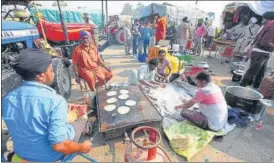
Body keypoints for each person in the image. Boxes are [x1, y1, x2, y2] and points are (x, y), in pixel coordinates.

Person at [2, 48, 93, 162]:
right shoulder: (55, 101)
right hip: (49, 156)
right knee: (80, 121)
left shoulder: (8, 99)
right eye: (51, 70)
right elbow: (59, 146)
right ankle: (87, 127)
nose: (54, 74)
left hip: (22, 152)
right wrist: (83, 147)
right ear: (41, 76)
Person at [240, 19, 274, 89]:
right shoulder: (272, 27)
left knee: (260, 74)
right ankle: (241, 90)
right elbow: (265, 43)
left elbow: (259, 38)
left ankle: (255, 89)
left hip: (264, 53)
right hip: (261, 53)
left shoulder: (269, 24)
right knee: (251, 74)